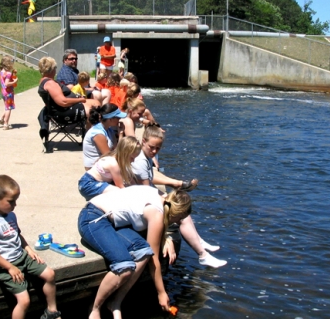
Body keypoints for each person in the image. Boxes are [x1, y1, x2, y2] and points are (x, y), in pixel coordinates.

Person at [78, 185, 192, 318]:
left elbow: (150, 251)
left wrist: (166, 239)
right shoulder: (156, 213)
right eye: (178, 219)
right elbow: (154, 260)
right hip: (92, 217)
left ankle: (115, 302)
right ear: (175, 213)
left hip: (113, 223)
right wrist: (161, 292)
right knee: (124, 266)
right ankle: (95, 308)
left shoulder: (161, 196)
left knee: (144, 252)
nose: (177, 223)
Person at [132, 125, 227, 269]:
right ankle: (202, 254)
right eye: (152, 147)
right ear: (143, 141)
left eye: (158, 148)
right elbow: (146, 193)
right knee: (180, 212)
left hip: (143, 194)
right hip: (140, 201)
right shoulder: (140, 161)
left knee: (180, 208)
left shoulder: (144, 156)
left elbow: (150, 180)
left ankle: (200, 244)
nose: (154, 151)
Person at [0, 175, 61, 319]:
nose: (15, 205)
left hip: (21, 256)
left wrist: (28, 249)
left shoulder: (10, 215)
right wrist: (10, 267)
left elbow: (17, 235)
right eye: (11, 202)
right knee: (24, 300)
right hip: (5, 265)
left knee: (50, 274)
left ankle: (52, 311)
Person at [38, 57, 99, 127]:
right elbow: (63, 102)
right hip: (64, 113)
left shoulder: (44, 80)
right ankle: (94, 134)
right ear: (52, 70)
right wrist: (80, 99)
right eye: (55, 68)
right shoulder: (50, 84)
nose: (55, 70)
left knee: (96, 103)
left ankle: (90, 133)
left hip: (64, 109)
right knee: (96, 108)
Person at [79, 136, 141, 201]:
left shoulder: (116, 159)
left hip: (90, 182)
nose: (133, 161)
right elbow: (120, 186)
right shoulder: (113, 164)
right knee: (118, 192)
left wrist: (137, 189)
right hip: (88, 184)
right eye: (132, 158)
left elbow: (130, 178)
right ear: (124, 154)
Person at [83, 104, 125, 170]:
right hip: (95, 169)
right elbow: (109, 156)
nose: (119, 119)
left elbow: (116, 150)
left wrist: (121, 133)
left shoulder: (109, 129)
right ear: (110, 119)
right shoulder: (98, 133)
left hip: (104, 164)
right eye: (118, 117)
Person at [0, 56, 18, 130]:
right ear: (8, 64)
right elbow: (6, 84)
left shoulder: (1, 72)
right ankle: (6, 124)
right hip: (8, 92)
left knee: (6, 106)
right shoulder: (8, 73)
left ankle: (1, 118)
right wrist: (14, 82)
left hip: (3, 92)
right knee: (9, 108)